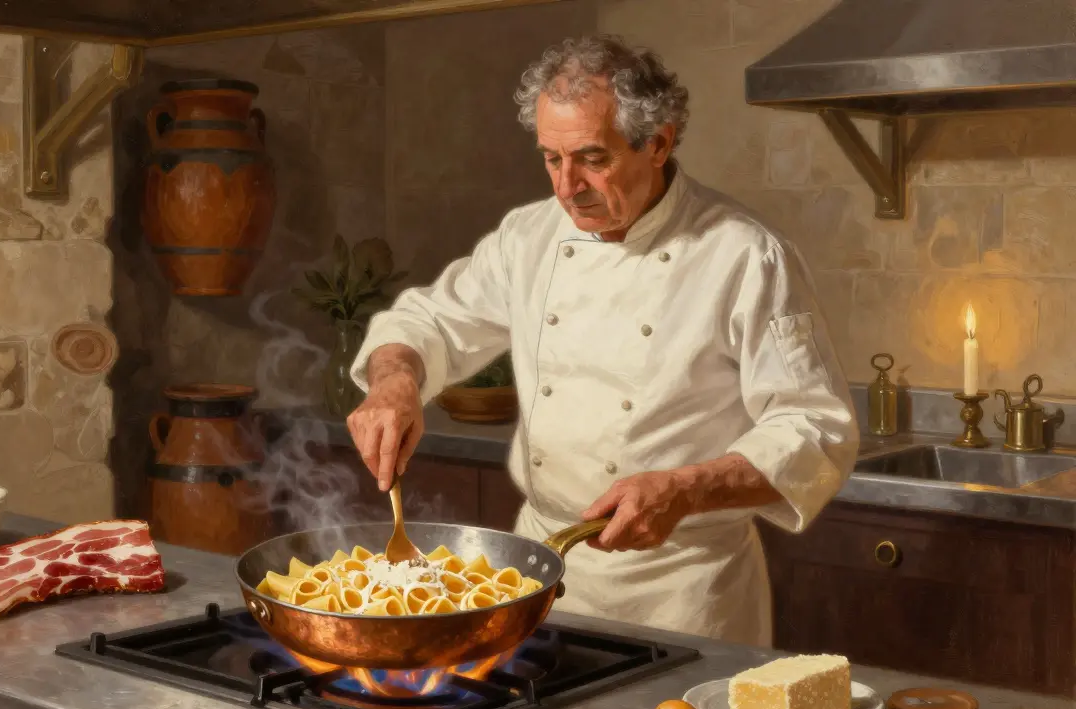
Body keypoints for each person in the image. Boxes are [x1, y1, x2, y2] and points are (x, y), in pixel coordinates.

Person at [344, 34, 858, 646]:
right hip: (540, 574)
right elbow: (428, 320)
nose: (567, 186)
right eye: (551, 158)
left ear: (658, 143)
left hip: (682, 591)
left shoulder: (745, 256)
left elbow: (814, 430)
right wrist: (394, 381)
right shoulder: (528, 237)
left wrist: (684, 489)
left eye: (592, 158)